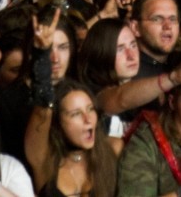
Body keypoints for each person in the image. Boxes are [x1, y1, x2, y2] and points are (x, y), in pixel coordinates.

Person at [25, 10, 117, 197]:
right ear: (58, 123)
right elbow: (42, 111)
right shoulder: (44, 162)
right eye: (75, 114)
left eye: (90, 109)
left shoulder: (113, 151)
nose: (87, 118)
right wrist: (42, 56)